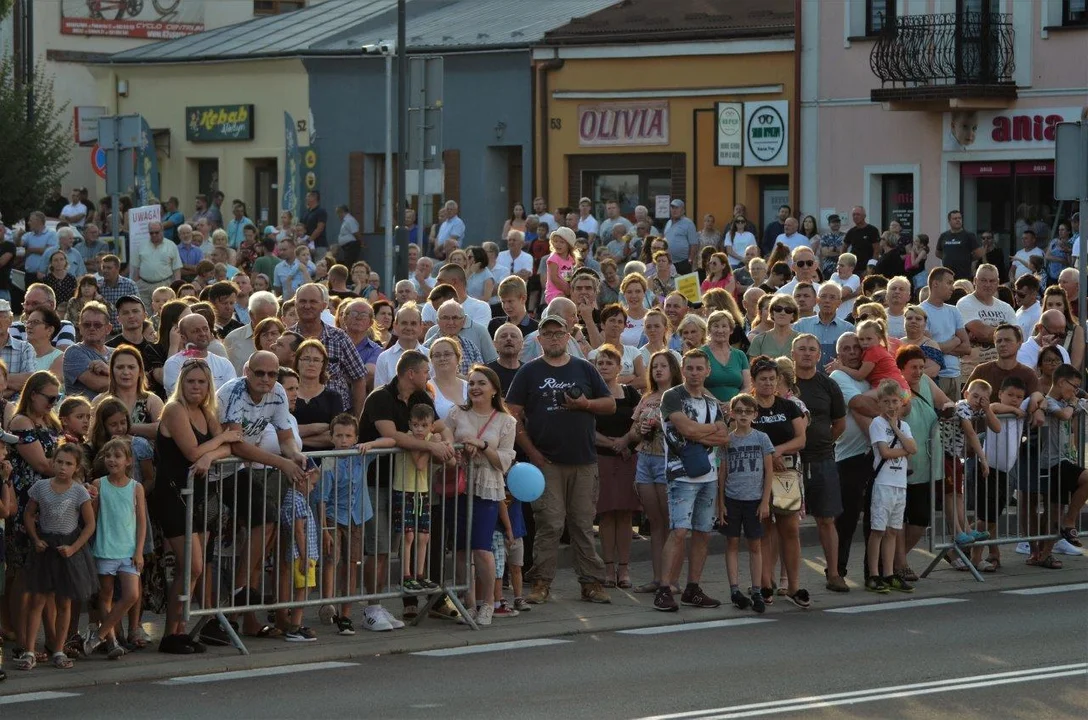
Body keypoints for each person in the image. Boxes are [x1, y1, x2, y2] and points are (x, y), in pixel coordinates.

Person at [507, 314, 614, 604]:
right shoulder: (529, 372)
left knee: (581, 524)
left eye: (559, 333)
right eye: (548, 333)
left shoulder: (585, 368)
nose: (554, 338)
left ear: (568, 337)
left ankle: (591, 583)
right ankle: (541, 583)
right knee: (550, 523)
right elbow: (511, 414)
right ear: (538, 339)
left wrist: (585, 404)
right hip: (546, 463)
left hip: (584, 460)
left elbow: (610, 404)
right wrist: (532, 452)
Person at [358, 350, 456, 627]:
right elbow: (391, 435)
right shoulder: (380, 397)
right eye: (426, 371)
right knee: (378, 547)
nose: (429, 376)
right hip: (378, 481)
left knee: (403, 541)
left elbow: (440, 426)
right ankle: (372, 608)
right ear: (410, 373)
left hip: (410, 484)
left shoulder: (421, 396)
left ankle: (385, 603)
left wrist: (446, 441)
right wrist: (431, 444)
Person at [652, 349, 728, 612]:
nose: (695, 373)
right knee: (680, 530)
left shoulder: (711, 402)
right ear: (682, 369)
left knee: (703, 533)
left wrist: (698, 434)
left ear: (708, 371)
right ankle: (664, 588)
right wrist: (705, 431)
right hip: (680, 474)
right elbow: (686, 429)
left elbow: (724, 437)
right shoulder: (672, 396)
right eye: (690, 368)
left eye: (700, 368)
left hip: (708, 475)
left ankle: (693, 588)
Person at [18, 444, 98, 671]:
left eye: (68, 464)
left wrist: (74, 548)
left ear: (76, 467)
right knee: (38, 600)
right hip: (46, 547)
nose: (63, 467)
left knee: (64, 602)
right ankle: (30, 650)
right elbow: (29, 514)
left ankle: (59, 649)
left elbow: (89, 524)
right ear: (52, 462)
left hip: (68, 547)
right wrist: (35, 538)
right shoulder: (41, 487)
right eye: (59, 462)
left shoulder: (79, 492)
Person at [749, 356, 809, 607]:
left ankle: (794, 586)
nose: (768, 383)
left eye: (772, 379)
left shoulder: (788, 407)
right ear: (753, 381)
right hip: (756, 475)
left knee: (790, 529)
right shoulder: (748, 407)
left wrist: (778, 451)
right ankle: (765, 584)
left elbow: (801, 439)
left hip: (785, 473)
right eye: (762, 379)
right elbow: (740, 436)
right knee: (763, 529)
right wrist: (767, 456)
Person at [791, 334, 849, 592]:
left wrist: (821, 442)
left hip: (822, 460)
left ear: (819, 355)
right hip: (789, 463)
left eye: (811, 349)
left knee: (826, 519)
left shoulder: (828, 385)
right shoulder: (784, 384)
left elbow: (839, 424)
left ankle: (834, 573)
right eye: (801, 349)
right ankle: (784, 580)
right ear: (793, 353)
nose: (806, 353)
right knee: (786, 523)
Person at [315, 413, 380, 636]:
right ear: (331, 438)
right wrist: (324, 529)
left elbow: (391, 441)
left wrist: (370, 444)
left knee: (351, 564)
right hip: (334, 517)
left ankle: (346, 614)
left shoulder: (360, 456)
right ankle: (328, 603)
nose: (344, 440)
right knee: (332, 560)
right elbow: (322, 499)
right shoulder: (329, 462)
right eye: (339, 436)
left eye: (348, 436)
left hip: (357, 516)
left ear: (355, 438)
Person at [82, 438, 147, 660]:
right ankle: (111, 641)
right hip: (105, 549)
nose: (112, 460)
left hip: (128, 551)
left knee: (131, 594)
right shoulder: (99, 484)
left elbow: (141, 522)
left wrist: (139, 551)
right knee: (105, 596)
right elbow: (93, 516)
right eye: (108, 456)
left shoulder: (136, 487)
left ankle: (98, 634)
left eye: (117, 456)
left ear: (128, 461)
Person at [590, 345, 641, 590]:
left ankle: (624, 569)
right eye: (600, 363)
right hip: (601, 458)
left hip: (627, 458)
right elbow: (586, 428)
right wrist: (611, 443)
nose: (604, 367)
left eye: (609, 363)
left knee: (625, 514)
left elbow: (640, 421)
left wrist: (626, 441)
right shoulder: (591, 394)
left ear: (620, 367)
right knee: (607, 514)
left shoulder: (631, 394)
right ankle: (608, 569)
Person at [722, 392, 774, 613]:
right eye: (739, 411)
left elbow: (769, 472)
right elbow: (722, 473)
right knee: (732, 543)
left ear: (755, 414)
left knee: (755, 545)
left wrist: (765, 501)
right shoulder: (727, 440)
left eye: (748, 411)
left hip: (754, 501)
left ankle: (756, 589)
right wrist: (720, 504)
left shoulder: (761, 438)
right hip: (732, 499)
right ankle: (734, 589)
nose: (743, 415)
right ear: (732, 413)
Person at [865, 380, 918, 594]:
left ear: (901, 402)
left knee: (893, 531)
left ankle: (889, 573)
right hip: (883, 483)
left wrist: (896, 427)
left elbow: (913, 447)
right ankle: (874, 575)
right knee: (878, 529)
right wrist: (904, 450)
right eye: (886, 402)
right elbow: (885, 452)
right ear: (880, 404)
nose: (891, 406)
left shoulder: (904, 426)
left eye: (895, 401)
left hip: (899, 484)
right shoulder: (877, 424)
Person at [288, 284, 367, 415]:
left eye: (313, 301)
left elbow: (358, 378)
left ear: (324, 306)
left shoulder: (340, 338)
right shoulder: (286, 338)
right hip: (295, 415)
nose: (307, 306)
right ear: (295, 304)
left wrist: (357, 419)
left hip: (337, 417)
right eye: (302, 301)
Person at [106, 295, 165, 397]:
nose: (131, 316)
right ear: (118, 319)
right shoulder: (110, 348)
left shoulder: (156, 348)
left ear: (145, 315)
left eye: (135, 311)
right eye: (125, 313)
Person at [162, 314, 236, 395]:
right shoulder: (173, 363)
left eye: (205, 329)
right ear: (183, 338)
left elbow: (232, 395)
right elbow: (180, 396)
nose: (203, 333)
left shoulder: (224, 364)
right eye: (196, 331)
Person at [64, 302, 114, 401]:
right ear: (80, 328)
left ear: (108, 329)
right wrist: (127, 380)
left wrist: (109, 371)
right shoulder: (74, 352)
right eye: (86, 325)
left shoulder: (117, 353)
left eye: (97, 325)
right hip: (86, 414)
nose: (92, 328)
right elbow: (99, 385)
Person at [747, 294, 799, 360]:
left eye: (788, 310)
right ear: (772, 313)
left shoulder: (800, 340)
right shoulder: (759, 340)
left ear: (793, 316)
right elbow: (753, 368)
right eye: (778, 309)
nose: (782, 313)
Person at [24, 308, 65, 380]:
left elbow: (45, 386)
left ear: (50, 330)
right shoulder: (20, 354)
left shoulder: (60, 358)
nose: (28, 326)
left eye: (35, 322)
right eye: (28, 322)